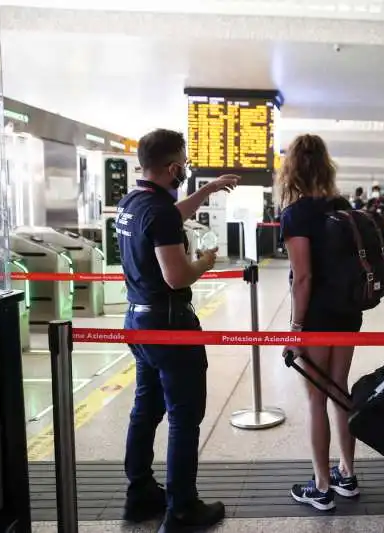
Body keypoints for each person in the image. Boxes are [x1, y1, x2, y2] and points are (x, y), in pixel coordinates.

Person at [117, 129, 239, 532]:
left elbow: (169, 218)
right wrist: (204, 262)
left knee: (145, 408)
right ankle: (182, 507)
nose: (184, 169)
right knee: (184, 416)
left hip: (137, 321)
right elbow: (176, 275)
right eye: (183, 164)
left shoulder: (133, 203)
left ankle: (139, 494)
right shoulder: (159, 211)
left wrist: (207, 191)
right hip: (170, 325)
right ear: (172, 167)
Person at [278, 134, 361, 511]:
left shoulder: (296, 214)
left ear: (292, 168)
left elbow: (304, 278)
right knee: (340, 391)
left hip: (316, 318)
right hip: (347, 312)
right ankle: (347, 474)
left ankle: (322, 486)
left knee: (316, 400)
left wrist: (296, 329)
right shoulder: (342, 206)